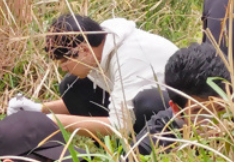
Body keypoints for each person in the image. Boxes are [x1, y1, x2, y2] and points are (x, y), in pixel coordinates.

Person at [14, 12, 177, 141]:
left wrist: (56, 122)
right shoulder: (99, 48)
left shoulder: (127, 59)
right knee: (72, 86)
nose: (63, 68)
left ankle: (143, 149)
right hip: (137, 96)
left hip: (173, 109)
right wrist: (39, 110)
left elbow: (120, 125)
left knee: (145, 103)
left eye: (65, 61)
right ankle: (106, 144)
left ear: (84, 50)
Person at [133, 42, 232, 156]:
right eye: (200, 113)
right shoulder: (150, 146)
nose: (213, 123)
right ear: (176, 109)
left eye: (220, 108)